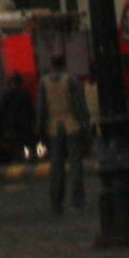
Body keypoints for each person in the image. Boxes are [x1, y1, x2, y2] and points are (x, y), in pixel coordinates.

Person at [47, 56, 96, 210]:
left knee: (56, 165)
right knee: (75, 164)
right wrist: (85, 121)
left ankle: (56, 201)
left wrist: (41, 124)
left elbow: (41, 107)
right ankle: (77, 199)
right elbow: (80, 103)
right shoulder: (72, 80)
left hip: (54, 126)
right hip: (71, 124)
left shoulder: (44, 82)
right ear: (64, 64)